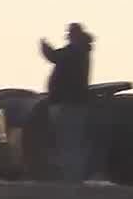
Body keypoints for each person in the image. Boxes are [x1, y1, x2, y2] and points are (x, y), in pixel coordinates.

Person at [39, 23, 94, 180]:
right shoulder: (80, 50)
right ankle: (71, 175)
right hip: (70, 102)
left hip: (69, 102)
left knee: (69, 141)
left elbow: (55, 56)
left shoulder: (76, 51)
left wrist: (45, 48)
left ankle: (72, 176)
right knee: (69, 140)